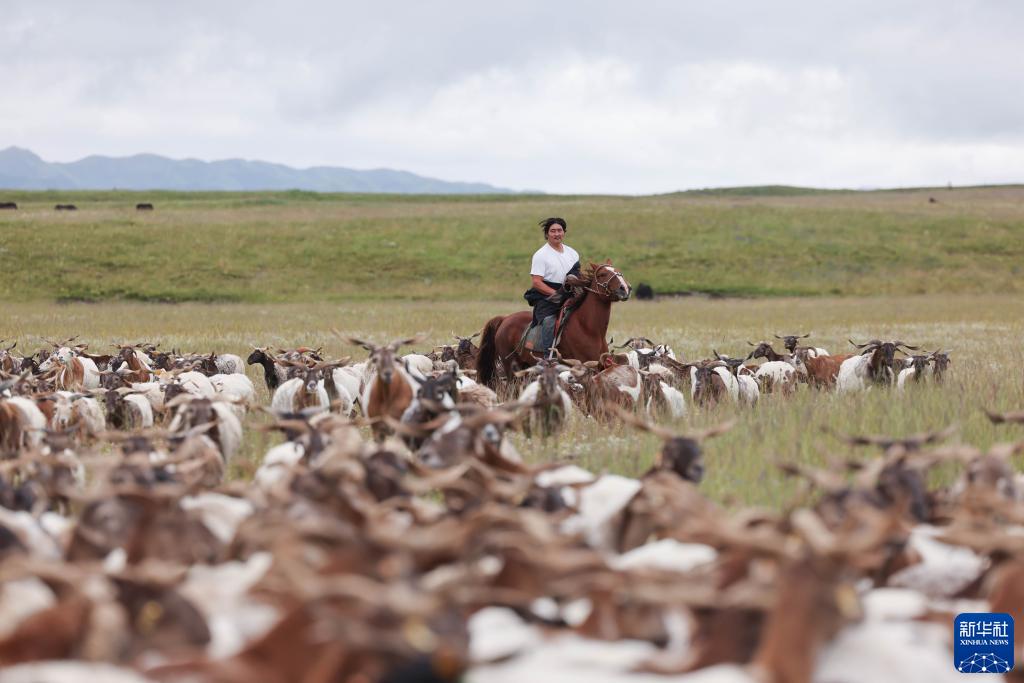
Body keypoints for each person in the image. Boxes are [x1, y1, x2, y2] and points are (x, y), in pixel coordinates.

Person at [524, 217, 582, 355]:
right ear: (547, 234)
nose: (557, 234)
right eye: (553, 231)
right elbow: (536, 282)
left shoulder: (572, 253)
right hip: (548, 297)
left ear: (564, 232)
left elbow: (577, 275)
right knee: (549, 321)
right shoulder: (541, 255)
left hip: (571, 293)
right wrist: (557, 295)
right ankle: (547, 356)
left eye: (560, 230)